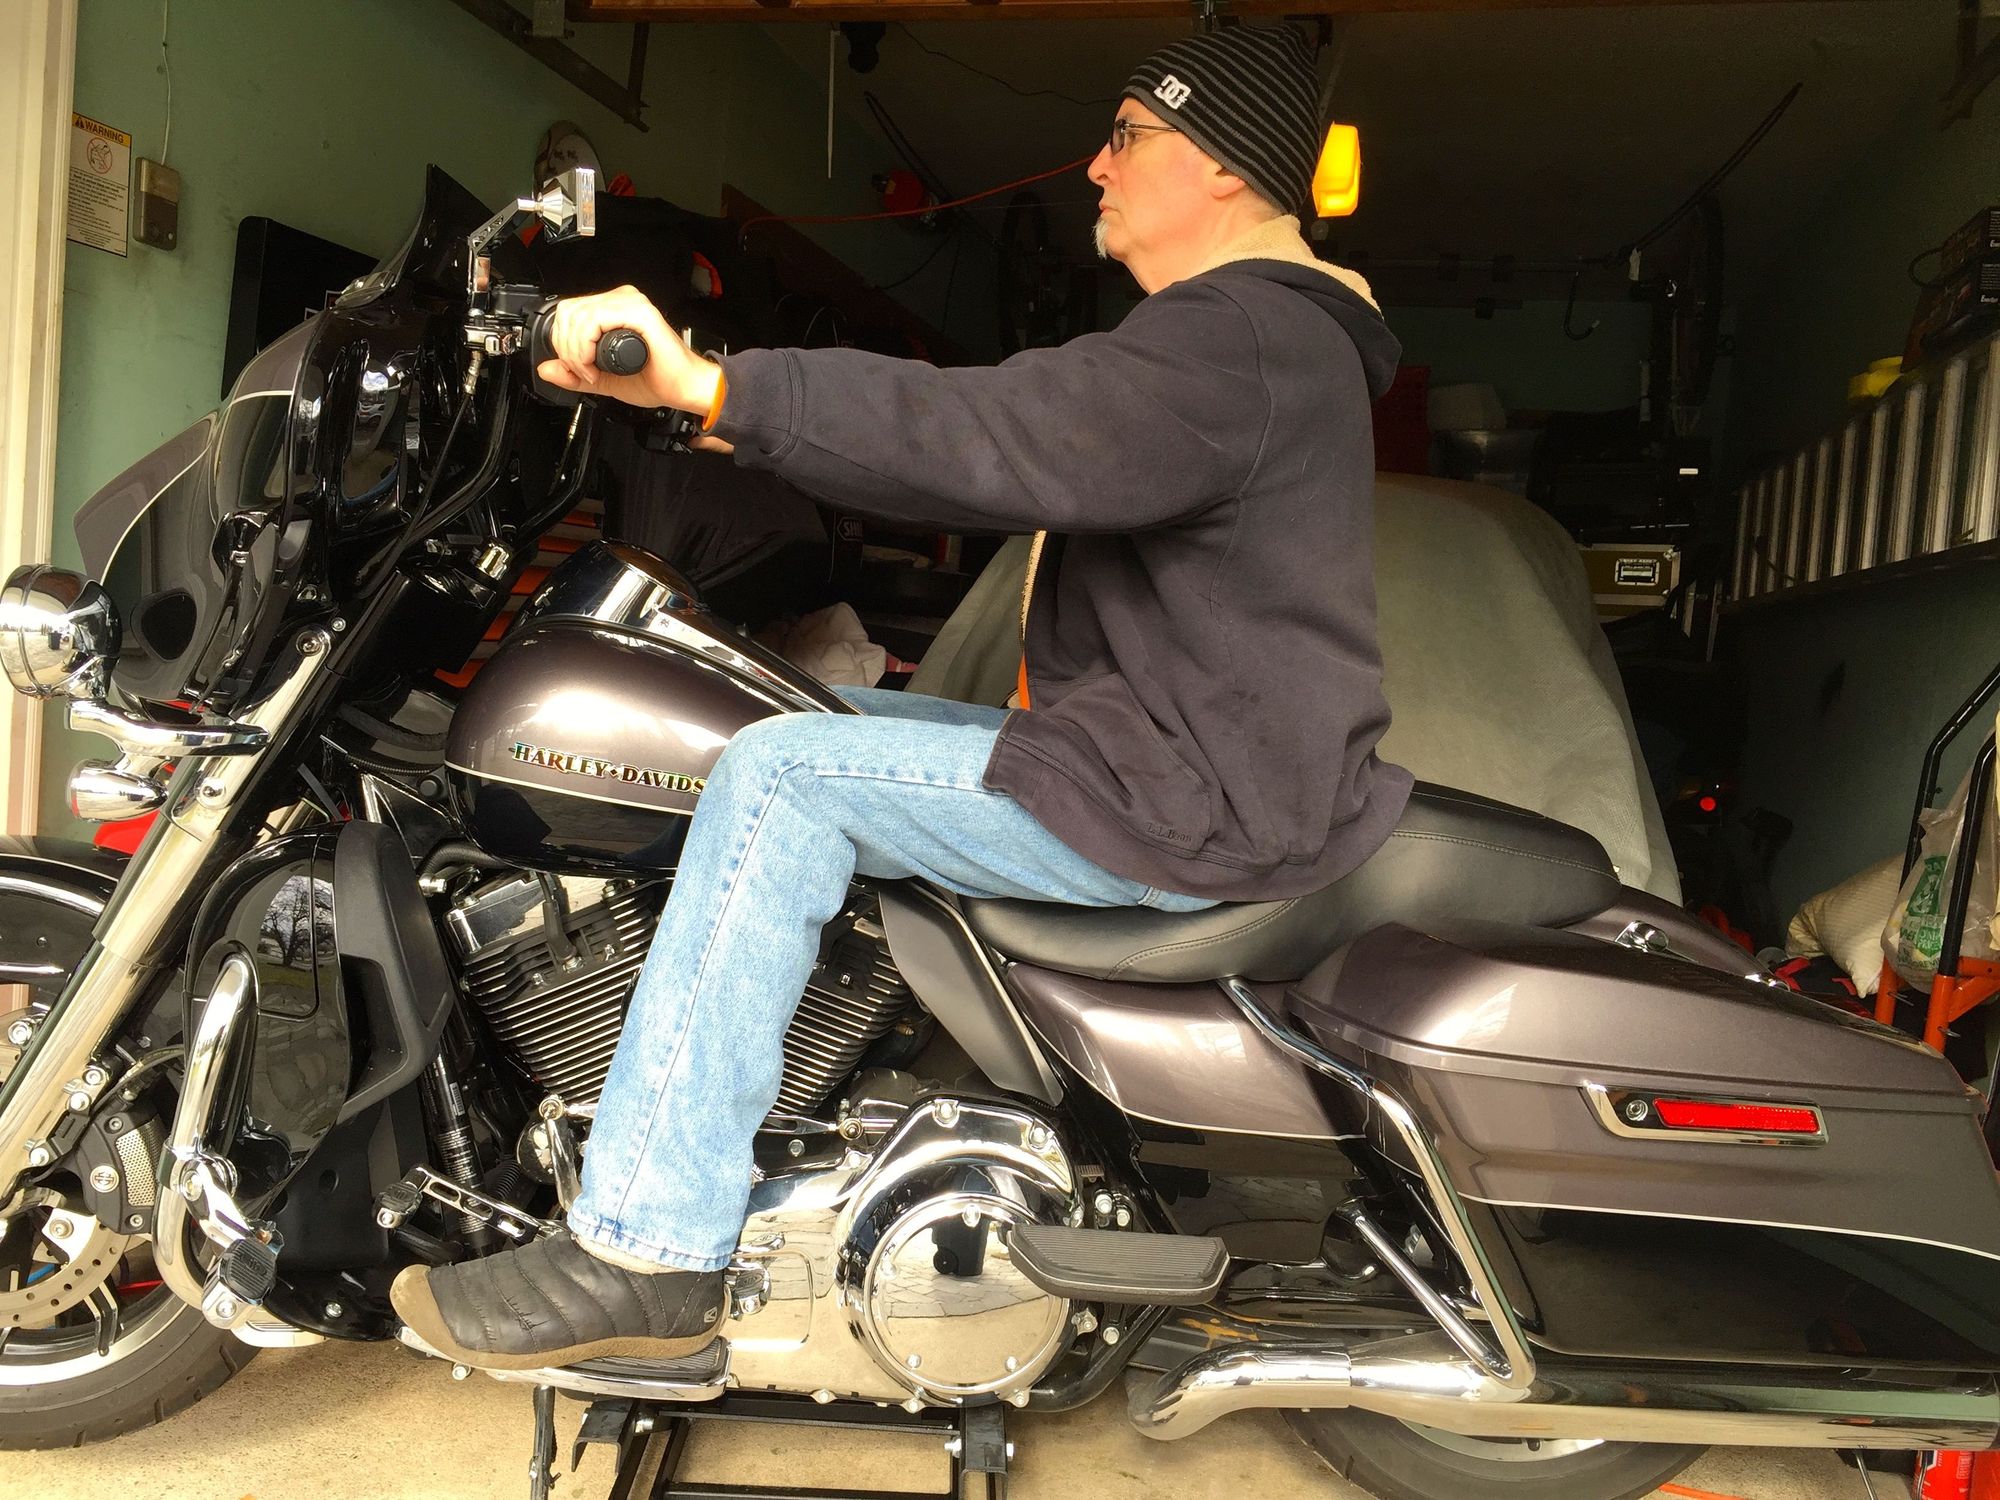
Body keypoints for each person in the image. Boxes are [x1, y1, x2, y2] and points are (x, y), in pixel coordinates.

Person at [391, 23, 1409, 1371]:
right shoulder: (1258, 337)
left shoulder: (1247, 334)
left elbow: (1001, 431)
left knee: (780, 776)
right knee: (776, 716)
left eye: (1128, 135)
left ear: (1224, 165)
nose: (1096, 165)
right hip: (1164, 757)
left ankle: (649, 1243)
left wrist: (712, 385)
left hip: (1192, 794)